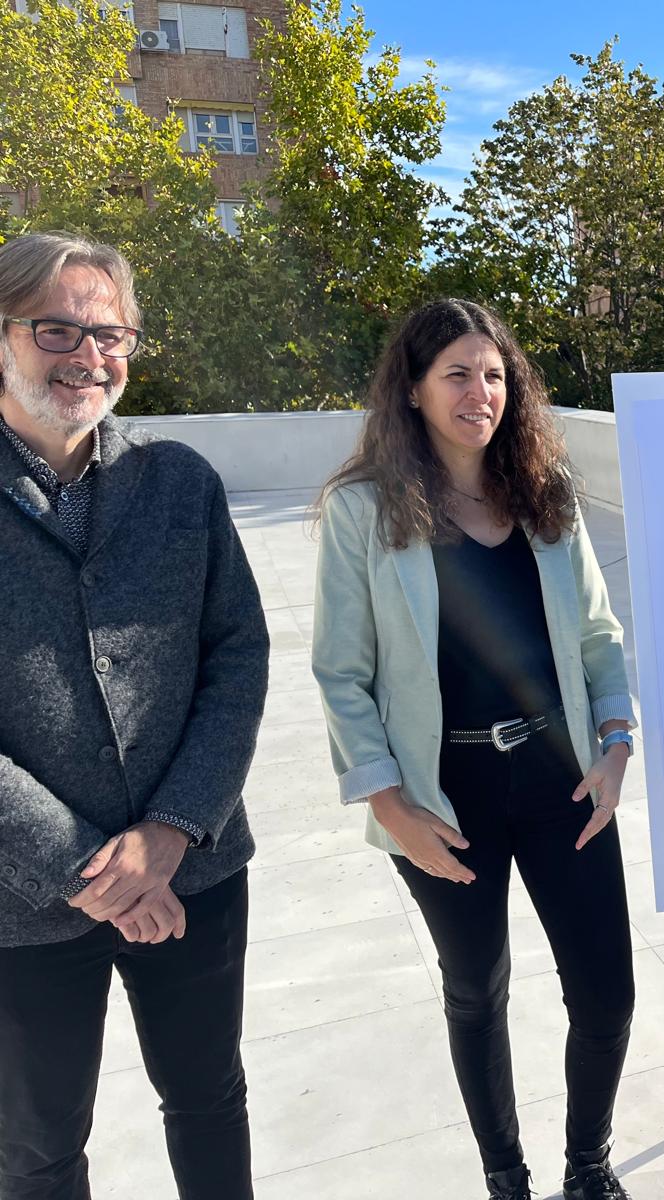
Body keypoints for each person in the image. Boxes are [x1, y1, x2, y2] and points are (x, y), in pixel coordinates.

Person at [312, 299, 636, 1200]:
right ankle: (507, 1177)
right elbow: (341, 673)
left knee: (606, 993)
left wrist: (614, 745)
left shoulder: (547, 495)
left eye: (494, 374)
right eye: (456, 373)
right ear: (412, 390)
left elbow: (600, 639)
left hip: (559, 776)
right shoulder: (364, 510)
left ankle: (588, 1165)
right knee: (476, 990)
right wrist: (388, 803)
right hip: (441, 794)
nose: (479, 392)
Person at [0, 232, 268, 1198]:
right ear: (3, 335)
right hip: (19, 904)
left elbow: (237, 654)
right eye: (58, 329)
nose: (89, 357)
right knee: (34, 1152)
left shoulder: (179, 483)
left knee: (208, 1102)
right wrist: (84, 867)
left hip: (194, 871)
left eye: (111, 335)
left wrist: (168, 832)